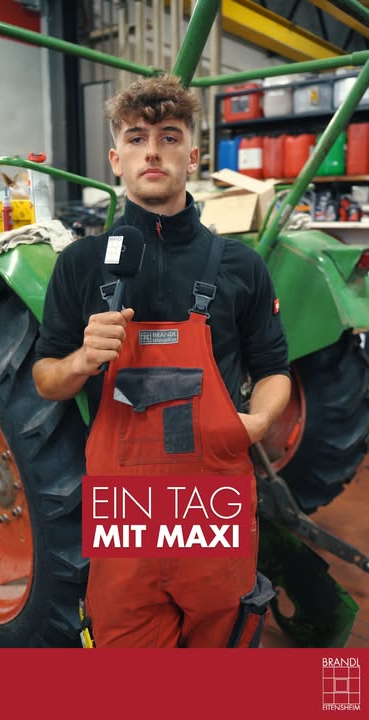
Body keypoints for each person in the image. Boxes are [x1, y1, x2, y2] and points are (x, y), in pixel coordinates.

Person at [32, 73, 291, 648]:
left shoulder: (241, 266)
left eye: (169, 137)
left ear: (192, 157)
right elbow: (46, 378)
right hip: (124, 511)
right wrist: (81, 360)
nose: (153, 151)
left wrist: (257, 422)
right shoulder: (81, 264)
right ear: (116, 159)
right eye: (136, 138)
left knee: (219, 655)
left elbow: (274, 367)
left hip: (212, 505)